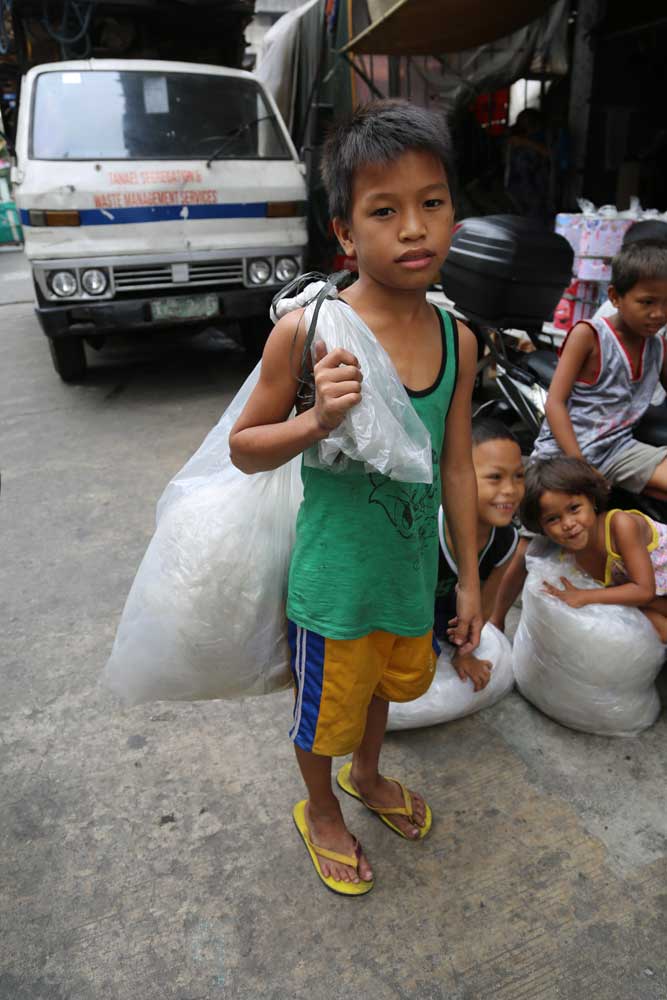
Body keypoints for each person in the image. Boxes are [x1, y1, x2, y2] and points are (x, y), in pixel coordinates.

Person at [228, 100, 482, 896]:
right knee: (322, 713)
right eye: (384, 210)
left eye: (430, 203)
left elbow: (456, 467)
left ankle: (365, 776)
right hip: (335, 587)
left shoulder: (457, 340)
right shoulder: (310, 334)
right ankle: (319, 807)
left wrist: (468, 581)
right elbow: (243, 448)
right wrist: (317, 419)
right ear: (344, 232)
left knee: (379, 694)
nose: (413, 228)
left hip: (407, 579)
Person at [491, 239, 667, 631]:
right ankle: (496, 621)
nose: (658, 313)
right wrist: (580, 465)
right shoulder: (590, 335)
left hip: (619, 447)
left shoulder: (657, 345)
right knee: (530, 544)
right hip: (566, 450)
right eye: (647, 302)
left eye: (666, 304)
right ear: (615, 297)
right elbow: (555, 404)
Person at [521, 456, 667, 641]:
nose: (568, 524)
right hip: (651, 597)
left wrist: (584, 596)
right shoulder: (567, 556)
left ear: (592, 500)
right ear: (541, 527)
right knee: (650, 625)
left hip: (649, 590)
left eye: (574, 508)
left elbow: (644, 591)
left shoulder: (620, 525)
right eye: (552, 519)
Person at [435, 417, 524, 691]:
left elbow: (484, 605)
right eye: (495, 477)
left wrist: (464, 653)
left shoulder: (507, 540)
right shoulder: (428, 530)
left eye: (518, 476)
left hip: (451, 631)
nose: (510, 490)